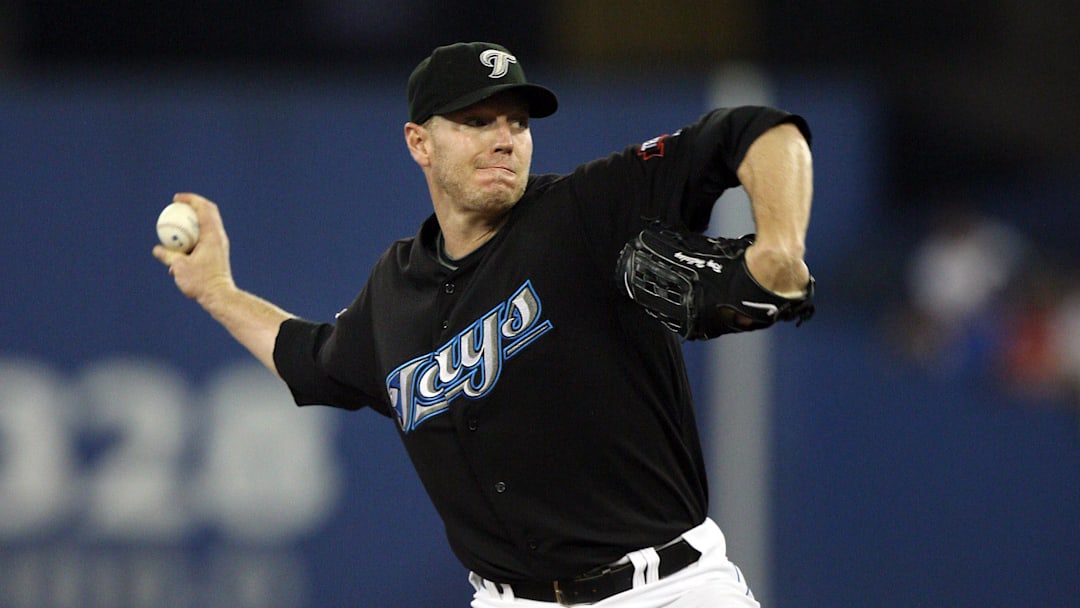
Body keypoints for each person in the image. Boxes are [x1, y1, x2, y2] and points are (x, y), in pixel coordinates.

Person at [153, 41, 813, 607]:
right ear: (420, 141)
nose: (505, 137)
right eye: (477, 120)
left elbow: (756, 129)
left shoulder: (589, 211)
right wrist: (216, 291)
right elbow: (311, 358)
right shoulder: (395, 288)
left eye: (517, 122)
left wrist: (780, 244)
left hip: (667, 590)